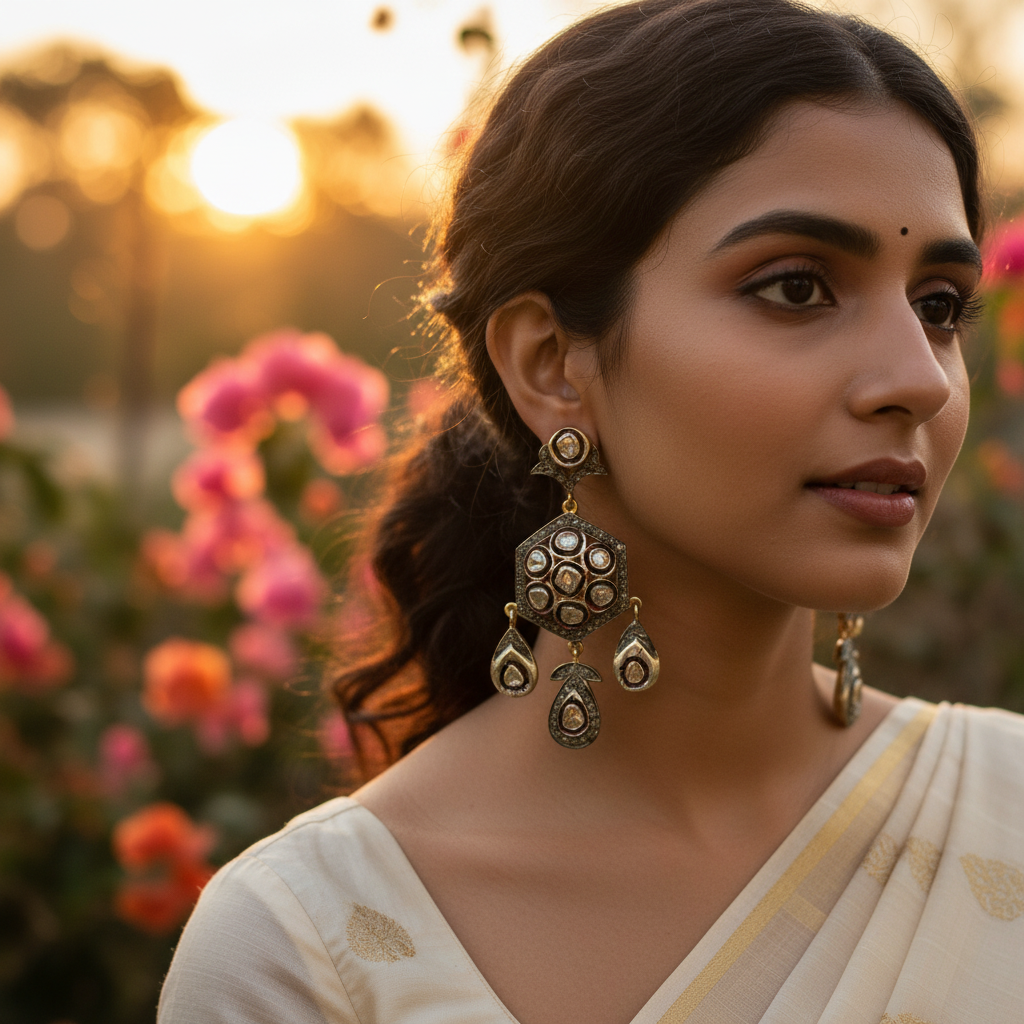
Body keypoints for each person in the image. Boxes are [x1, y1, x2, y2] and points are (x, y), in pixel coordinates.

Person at [157, 0, 1024, 1021]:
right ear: (550, 365)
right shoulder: (308, 949)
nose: (916, 379)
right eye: (795, 288)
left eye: (938, 307)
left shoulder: (1003, 815)